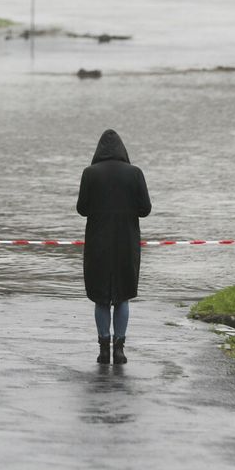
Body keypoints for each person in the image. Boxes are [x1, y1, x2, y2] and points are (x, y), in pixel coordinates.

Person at [76, 128, 151, 365]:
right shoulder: (135, 173)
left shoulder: (90, 173)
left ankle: (103, 349)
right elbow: (145, 209)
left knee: (100, 298)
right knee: (122, 296)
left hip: (98, 244)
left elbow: (82, 209)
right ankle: (119, 349)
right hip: (126, 243)